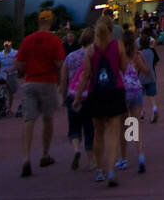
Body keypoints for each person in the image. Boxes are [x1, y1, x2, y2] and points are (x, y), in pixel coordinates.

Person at [73, 17, 126, 188]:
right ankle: (111, 169)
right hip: (115, 91)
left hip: (96, 93)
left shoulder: (90, 50)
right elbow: (123, 68)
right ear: (111, 29)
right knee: (113, 132)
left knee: (98, 132)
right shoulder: (118, 46)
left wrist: (77, 97)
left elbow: (86, 75)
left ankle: (99, 170)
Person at [15, 10, 65, 178]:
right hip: (48, 82)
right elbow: (59, 63)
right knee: (47, 118)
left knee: (29, 120)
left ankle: (25, 158)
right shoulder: (54, 40)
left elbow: (19, 64)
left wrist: (25, 71)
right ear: (50, 22)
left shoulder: (27, 40)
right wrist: (60, 81)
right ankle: (45, 154)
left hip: (30, 82)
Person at [60, 27, 96, 172]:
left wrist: (64, 96)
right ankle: (91, 160)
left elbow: (63, 78)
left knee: (74, 126)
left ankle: (76, 149)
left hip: (72, 94)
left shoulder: (70, 56)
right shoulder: (94, 54)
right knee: (89, 128)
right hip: (88, 95)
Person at [119, 31, 151, 174]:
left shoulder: (120, 56)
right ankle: (140, 155)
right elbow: (147, 72)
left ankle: (124, 158)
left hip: (123, 92)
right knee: (135, 124)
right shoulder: (137, 55)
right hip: (136, 90)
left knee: (123, 126)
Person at [138, 27, 159, 123]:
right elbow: (156, 62)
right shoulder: (151, 51)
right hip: (151, 75)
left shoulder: (139, 53)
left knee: (140, 95)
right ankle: (154, 108)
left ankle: (141, 112)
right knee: (152, 95)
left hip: (141, 77)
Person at [0, 39, 19, 114]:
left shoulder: (15, 53)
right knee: (3, 91)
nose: (7, 47)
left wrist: (11, 70)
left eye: (8, 46)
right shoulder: (0, 54)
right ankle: (4, 107)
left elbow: (16, 64)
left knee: (11, 91)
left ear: (10, 45)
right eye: (5, 46)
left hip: (12, 74)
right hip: (3, 75)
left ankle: (9, 108)